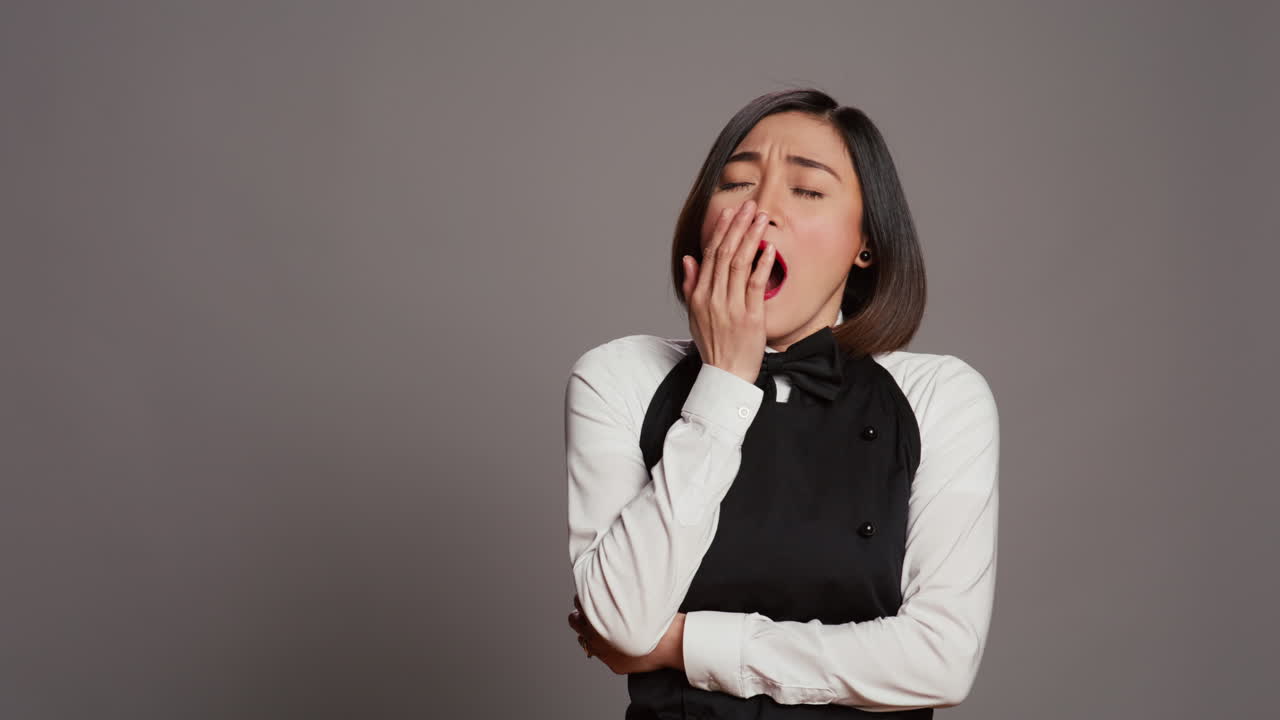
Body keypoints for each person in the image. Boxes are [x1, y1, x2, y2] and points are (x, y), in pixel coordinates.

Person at [564, 88, 1000, 718]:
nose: (761, 209)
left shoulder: (940, 397)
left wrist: (686, 643)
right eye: (737, 184)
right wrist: (723, 383)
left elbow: (939, 661)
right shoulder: (618, 377)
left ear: (866, 243)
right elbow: (621, 623)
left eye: (807, 190)